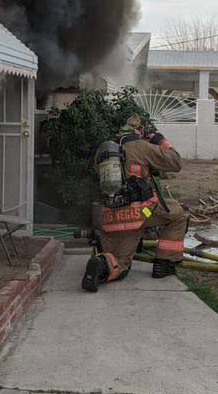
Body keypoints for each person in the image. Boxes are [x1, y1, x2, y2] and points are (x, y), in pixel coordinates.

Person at [81, 114, 189, 291]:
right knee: (179, 215)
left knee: (115, 259)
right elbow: (176, 162)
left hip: (110, 215)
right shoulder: (143, 147)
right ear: (141, 130)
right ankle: (164, 263)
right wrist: (160, 140)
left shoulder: (106, 151)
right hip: (142, 213)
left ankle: (100, 263)